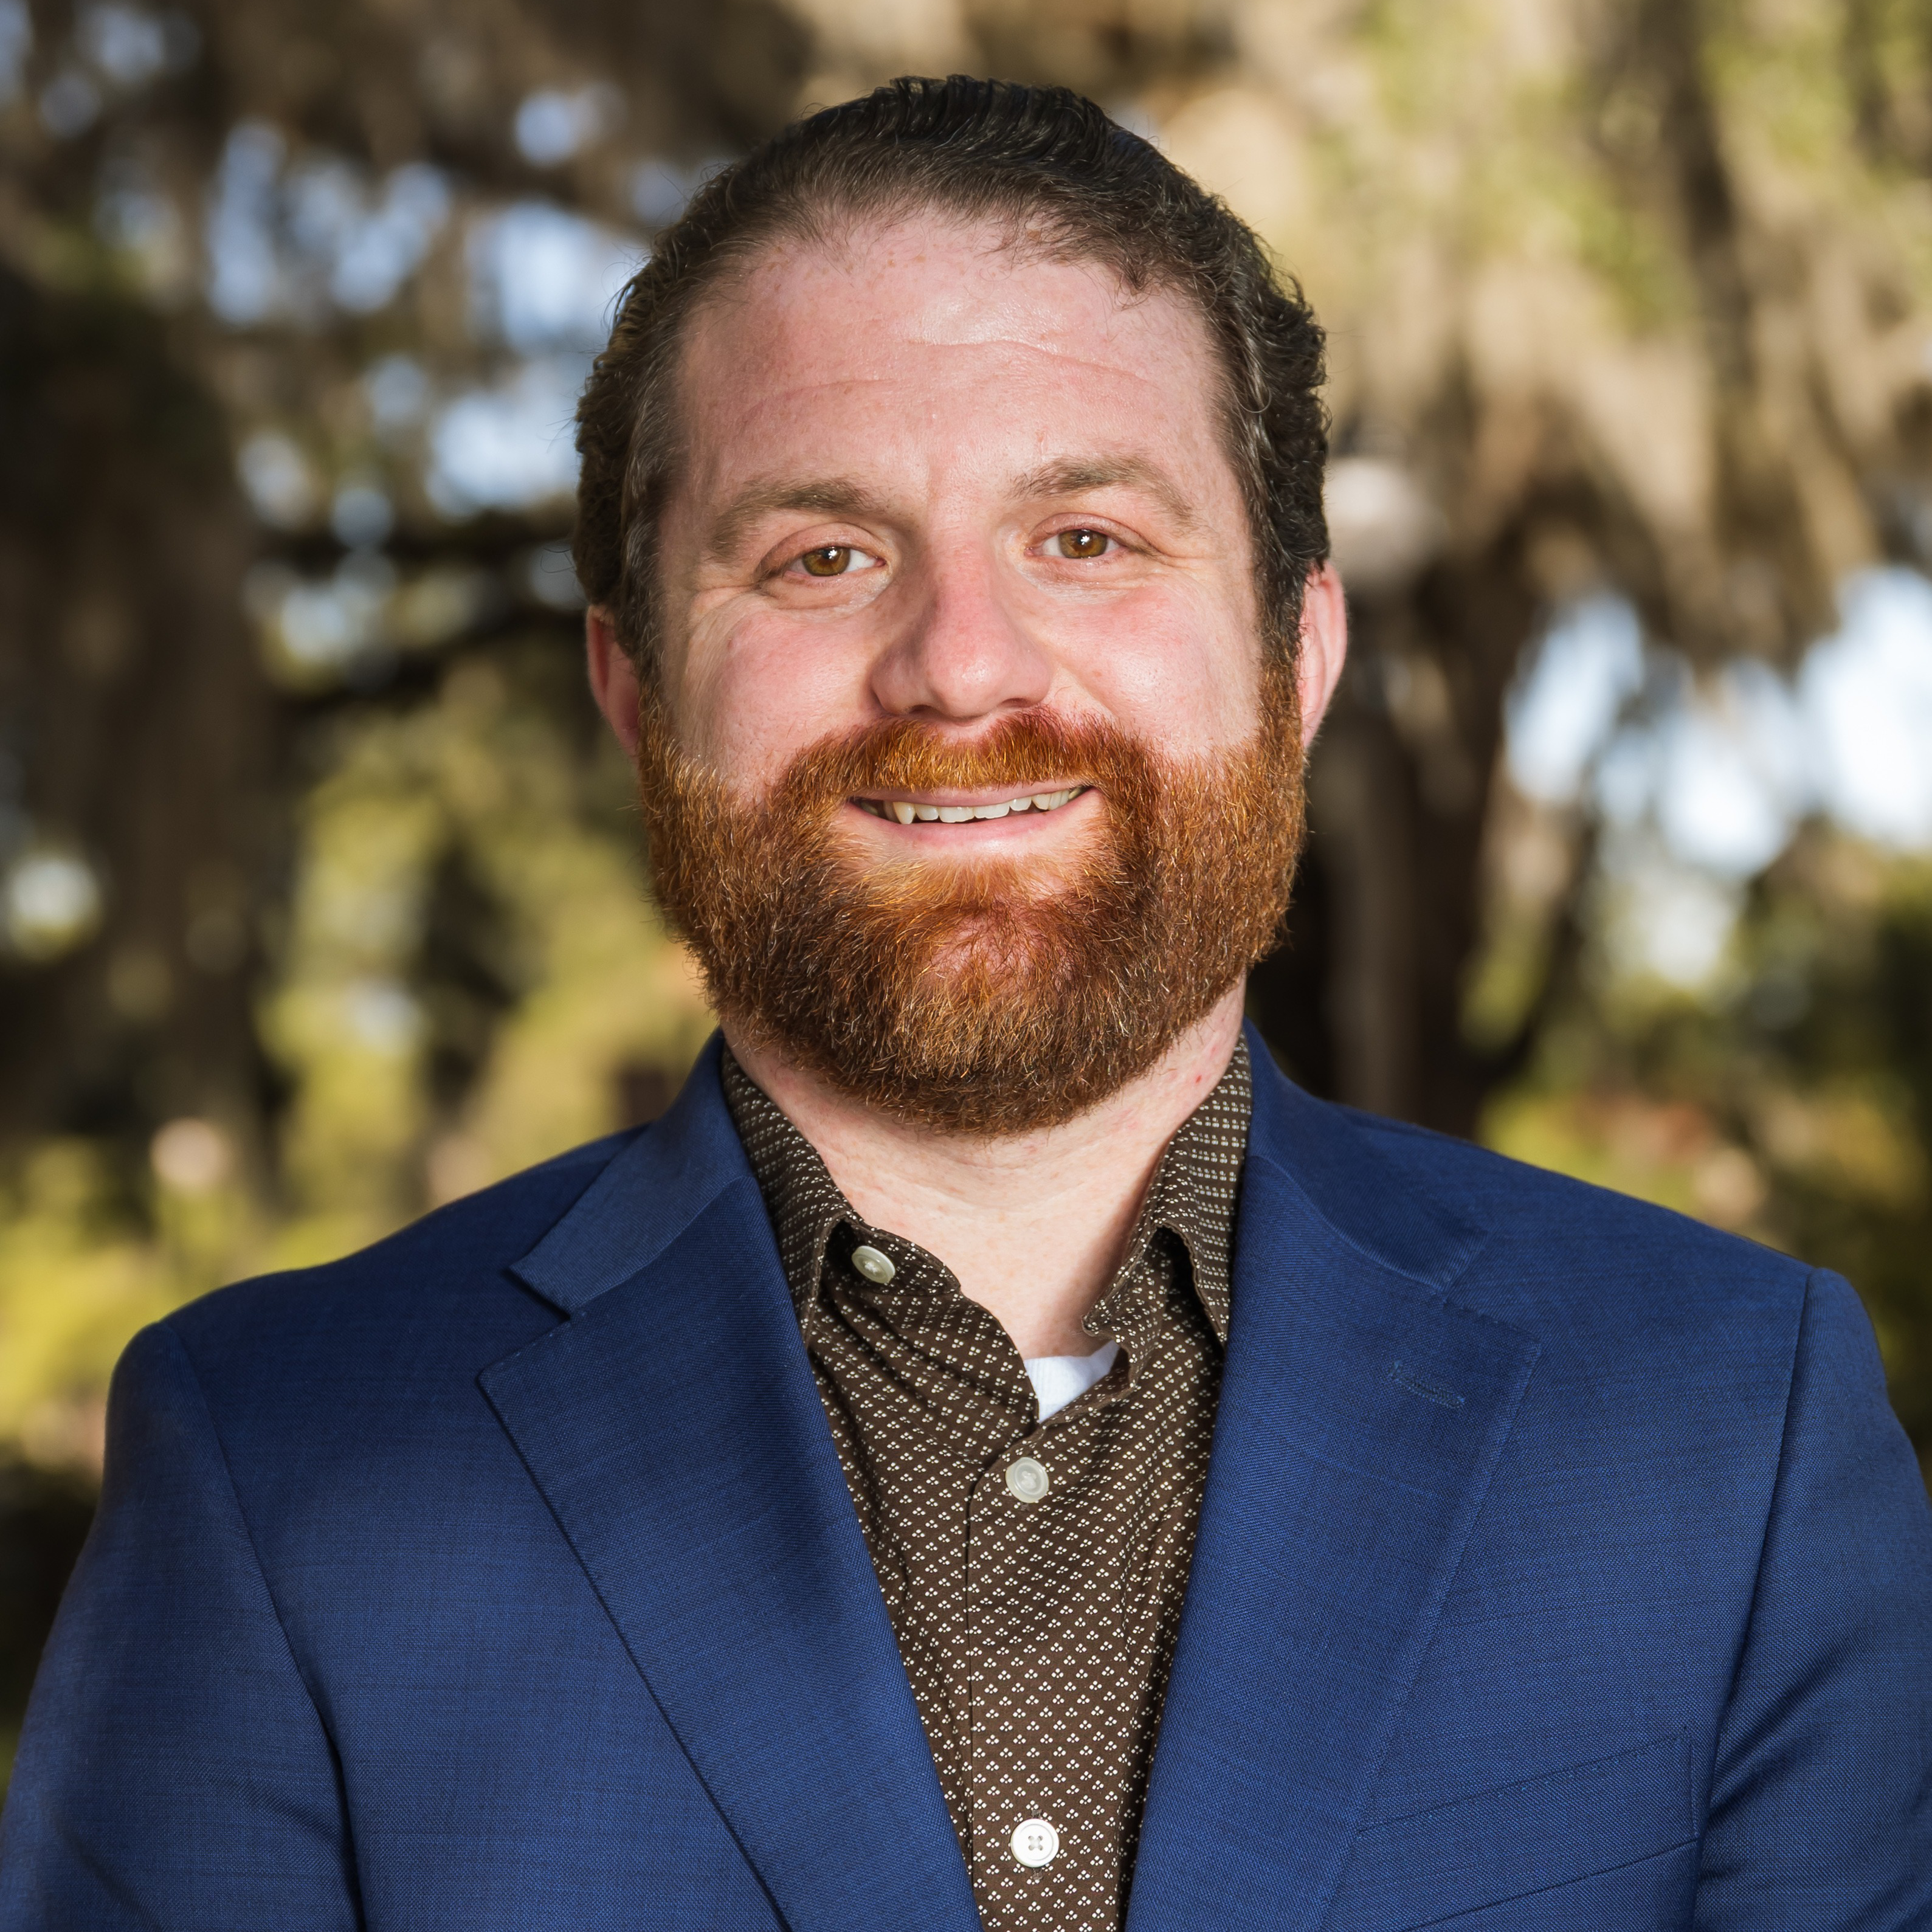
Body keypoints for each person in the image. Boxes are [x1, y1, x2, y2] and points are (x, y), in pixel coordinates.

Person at [3, 75, 1929, 1932]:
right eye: (824, 556)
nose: (960, 667)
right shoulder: (283, 1468)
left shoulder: (1724, 1424)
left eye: (1086, 539)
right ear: (635, 690)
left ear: (1299, 649)